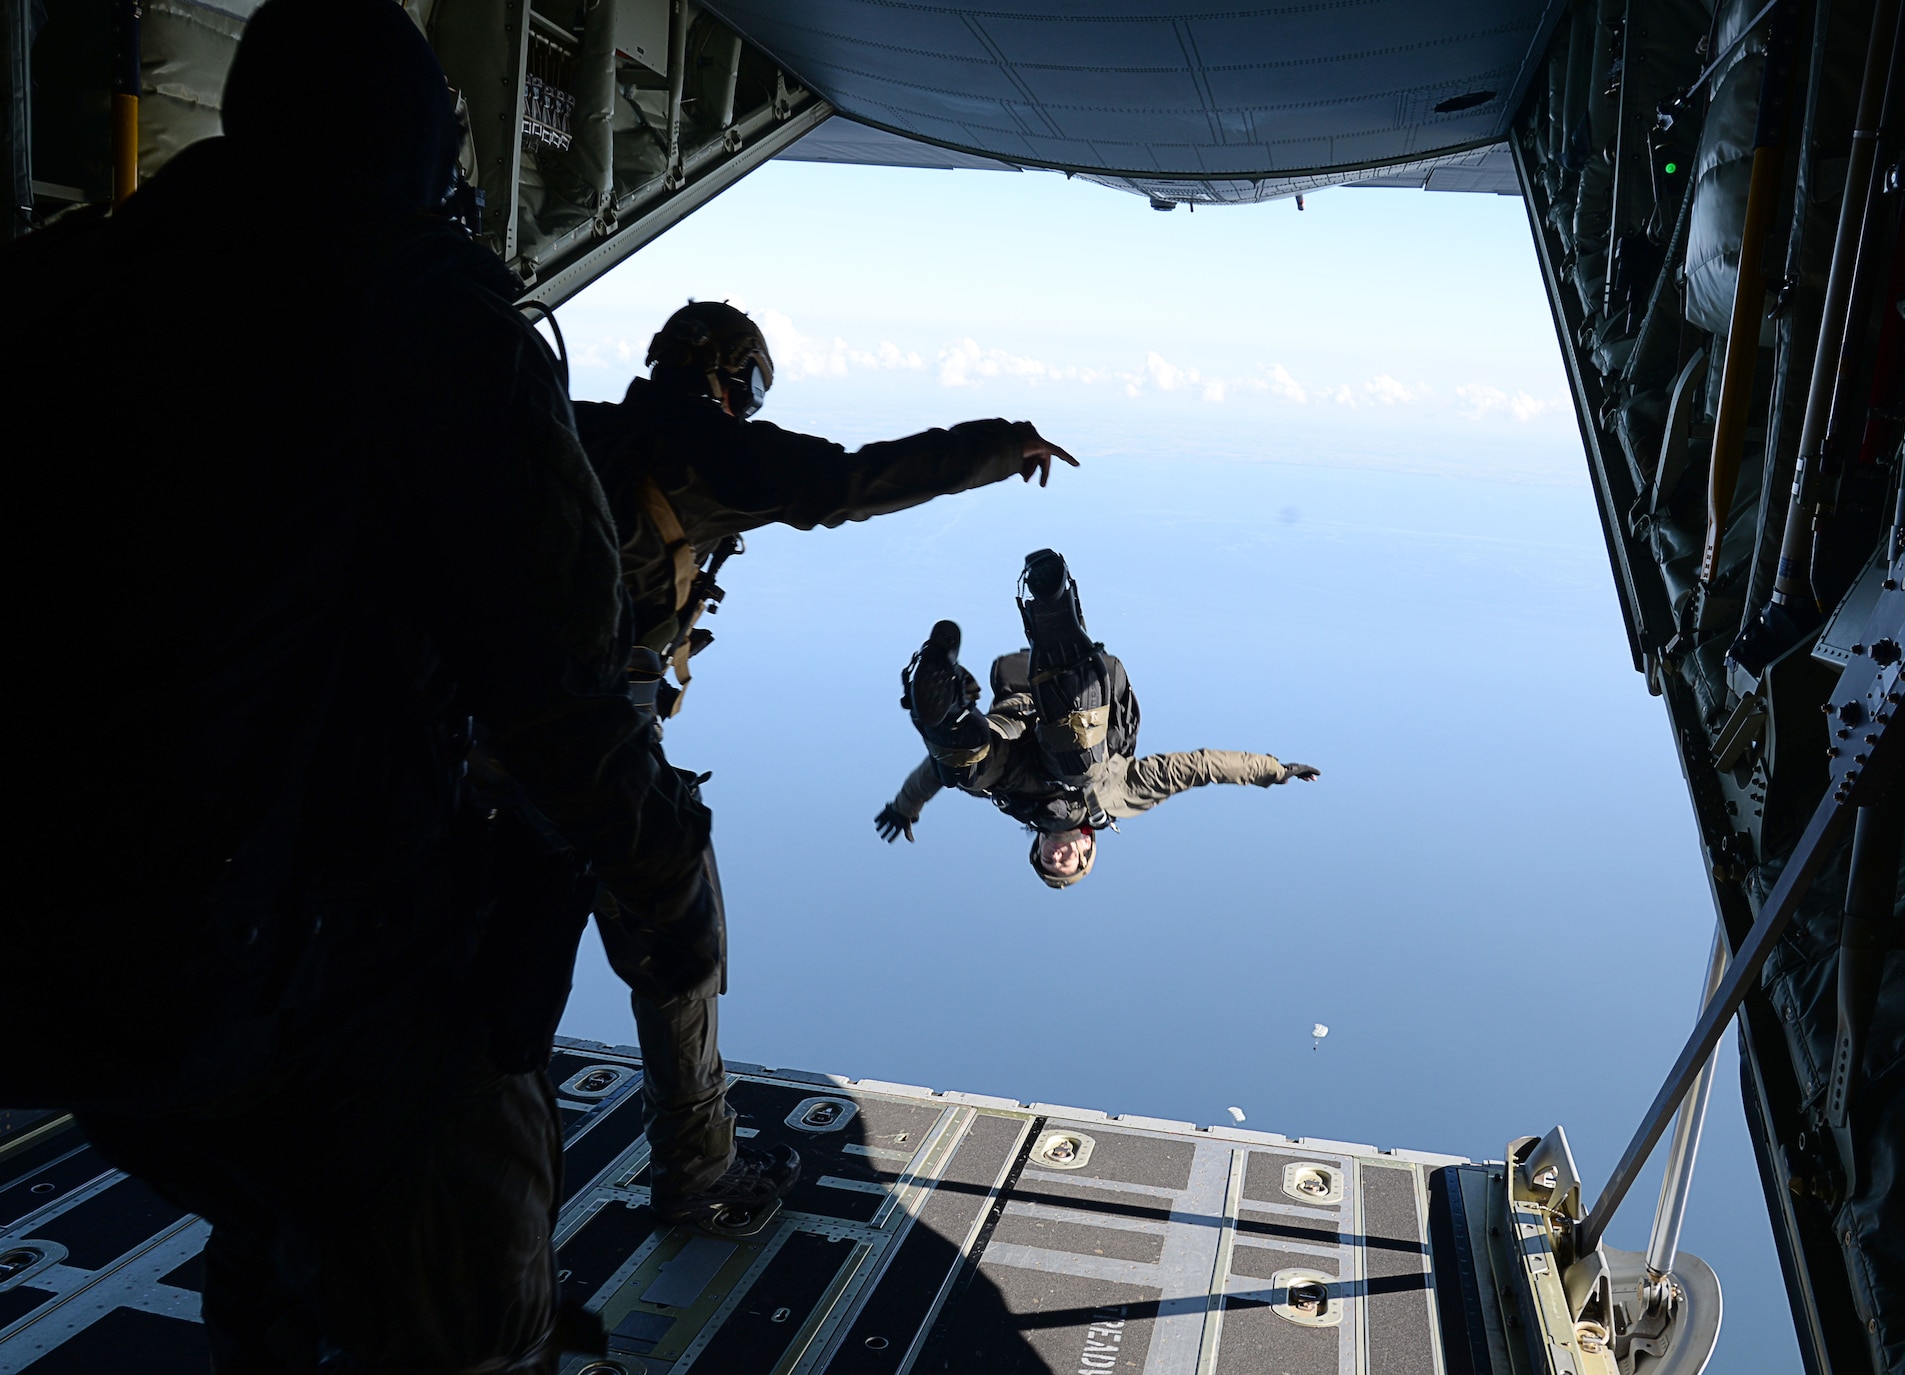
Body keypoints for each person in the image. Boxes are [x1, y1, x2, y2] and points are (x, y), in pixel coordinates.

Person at [1, 1, 710, 1369]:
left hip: (59, 979)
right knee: (468, 1301)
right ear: (415, 154)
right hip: (277, 968)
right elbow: (560, 695)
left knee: (267, 1216)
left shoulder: (67, 283)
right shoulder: (429, 325)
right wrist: (669, 901)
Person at [568, 301, 1079, 1223]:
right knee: (680, 942)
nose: (751, 407)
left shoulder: (580, 425)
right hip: (592, 740)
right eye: (752, 387)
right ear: (727, 377)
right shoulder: (698, 447)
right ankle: (701, 1172)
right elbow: (849, 482)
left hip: (478, 735)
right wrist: (1004, 445)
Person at [876, 551, 1319, 887]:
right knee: (1080, 767)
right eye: (1064, 863)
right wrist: (1273, 771)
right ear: (1088, 847)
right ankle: (1053, 611)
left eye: (1045, 859)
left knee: (964, 772)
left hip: (1011, 730)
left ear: (1037, 845)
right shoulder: (1121, 798)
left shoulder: (1012, 804)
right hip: (1073, 720)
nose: (1054, 855)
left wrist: (905, 806)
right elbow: (1199, 768)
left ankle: (944, 703)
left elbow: (931, 774)